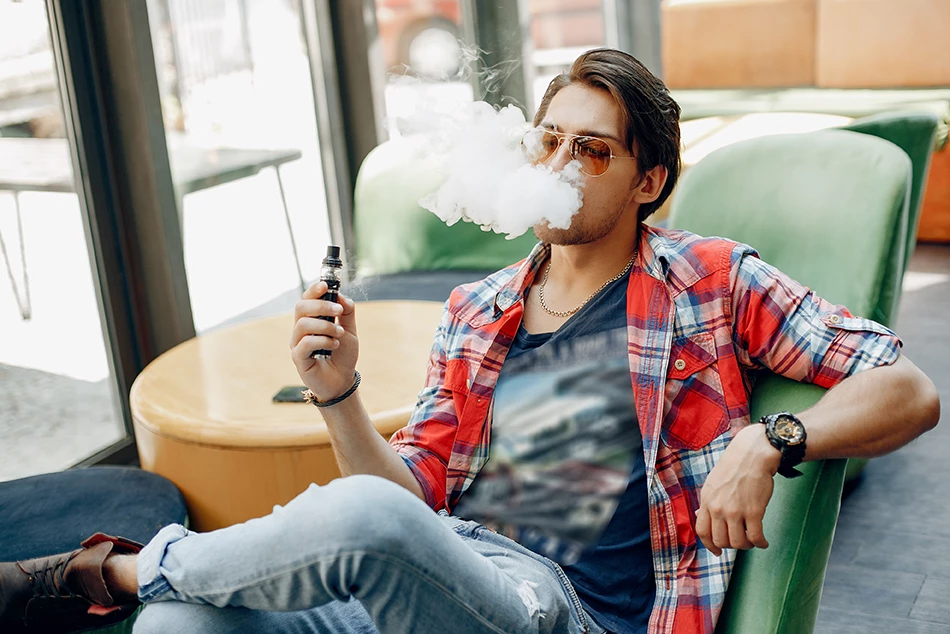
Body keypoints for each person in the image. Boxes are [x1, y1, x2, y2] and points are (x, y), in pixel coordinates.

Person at [0, 48, 940, 634]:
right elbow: (408, 501)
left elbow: (907, 388)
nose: (561, 164)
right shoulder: (477, 310)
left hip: (567, 614)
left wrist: (769, 439)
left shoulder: (712, 280)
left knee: (338, 533)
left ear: (649, 181)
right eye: (549, 141)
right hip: (451, 576)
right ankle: (142, 582)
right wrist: (338, 392)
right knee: (180, 627)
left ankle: (110, 569)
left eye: (594, 151)